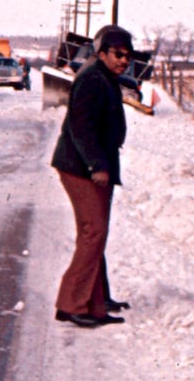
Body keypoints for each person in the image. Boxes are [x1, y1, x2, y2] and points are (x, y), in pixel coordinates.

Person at [50, 24, 134, 328]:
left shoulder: (104, 76)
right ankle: (71, 303)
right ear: (102, 53)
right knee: (93, 232)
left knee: (95, 234)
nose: (124, 60)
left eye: (128, 56)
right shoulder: (91, 79)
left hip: (96, 167)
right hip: (82, 168)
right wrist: (96, 165)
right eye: (118, 54)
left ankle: (95, 304)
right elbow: (80, 126)